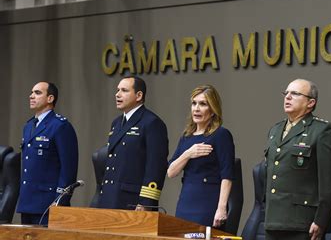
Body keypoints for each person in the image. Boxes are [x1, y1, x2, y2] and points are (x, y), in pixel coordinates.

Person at [264, 78, 331, 240]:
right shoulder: (275, 130)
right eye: (286, 93)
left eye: (295, 93)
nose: (287, 97)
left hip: (303, 223)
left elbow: (330, 180)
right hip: (273, 220)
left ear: (310, 103)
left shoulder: (323, 131)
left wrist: (321, 220)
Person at [167, 85, 235, 228]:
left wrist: (221, 208)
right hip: (186, 201)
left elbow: (227, 175)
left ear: (212, 110)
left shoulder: (221, 135)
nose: (196, 108)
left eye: (203, 104)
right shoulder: (187, 136)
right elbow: (171, 172)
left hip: (208, 202)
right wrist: (188, 154)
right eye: (194, 103)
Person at [97, 76, 168, 211]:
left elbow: (156, 166)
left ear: (139, 95)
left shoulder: (151, 123)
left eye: (124, 90)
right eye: (117, 90)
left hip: (132, 201)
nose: (117, 94)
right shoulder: (116, 123)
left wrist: (146, 203)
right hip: (109, 197)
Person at [17, 82, 78, 225]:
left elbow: (68, 168)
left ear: (50, 98)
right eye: (31, 92)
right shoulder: (28, 126)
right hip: (27, 201)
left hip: (48, 202)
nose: (31, 96)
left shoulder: (60, 126)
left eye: (37, 93)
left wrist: (60, 201)